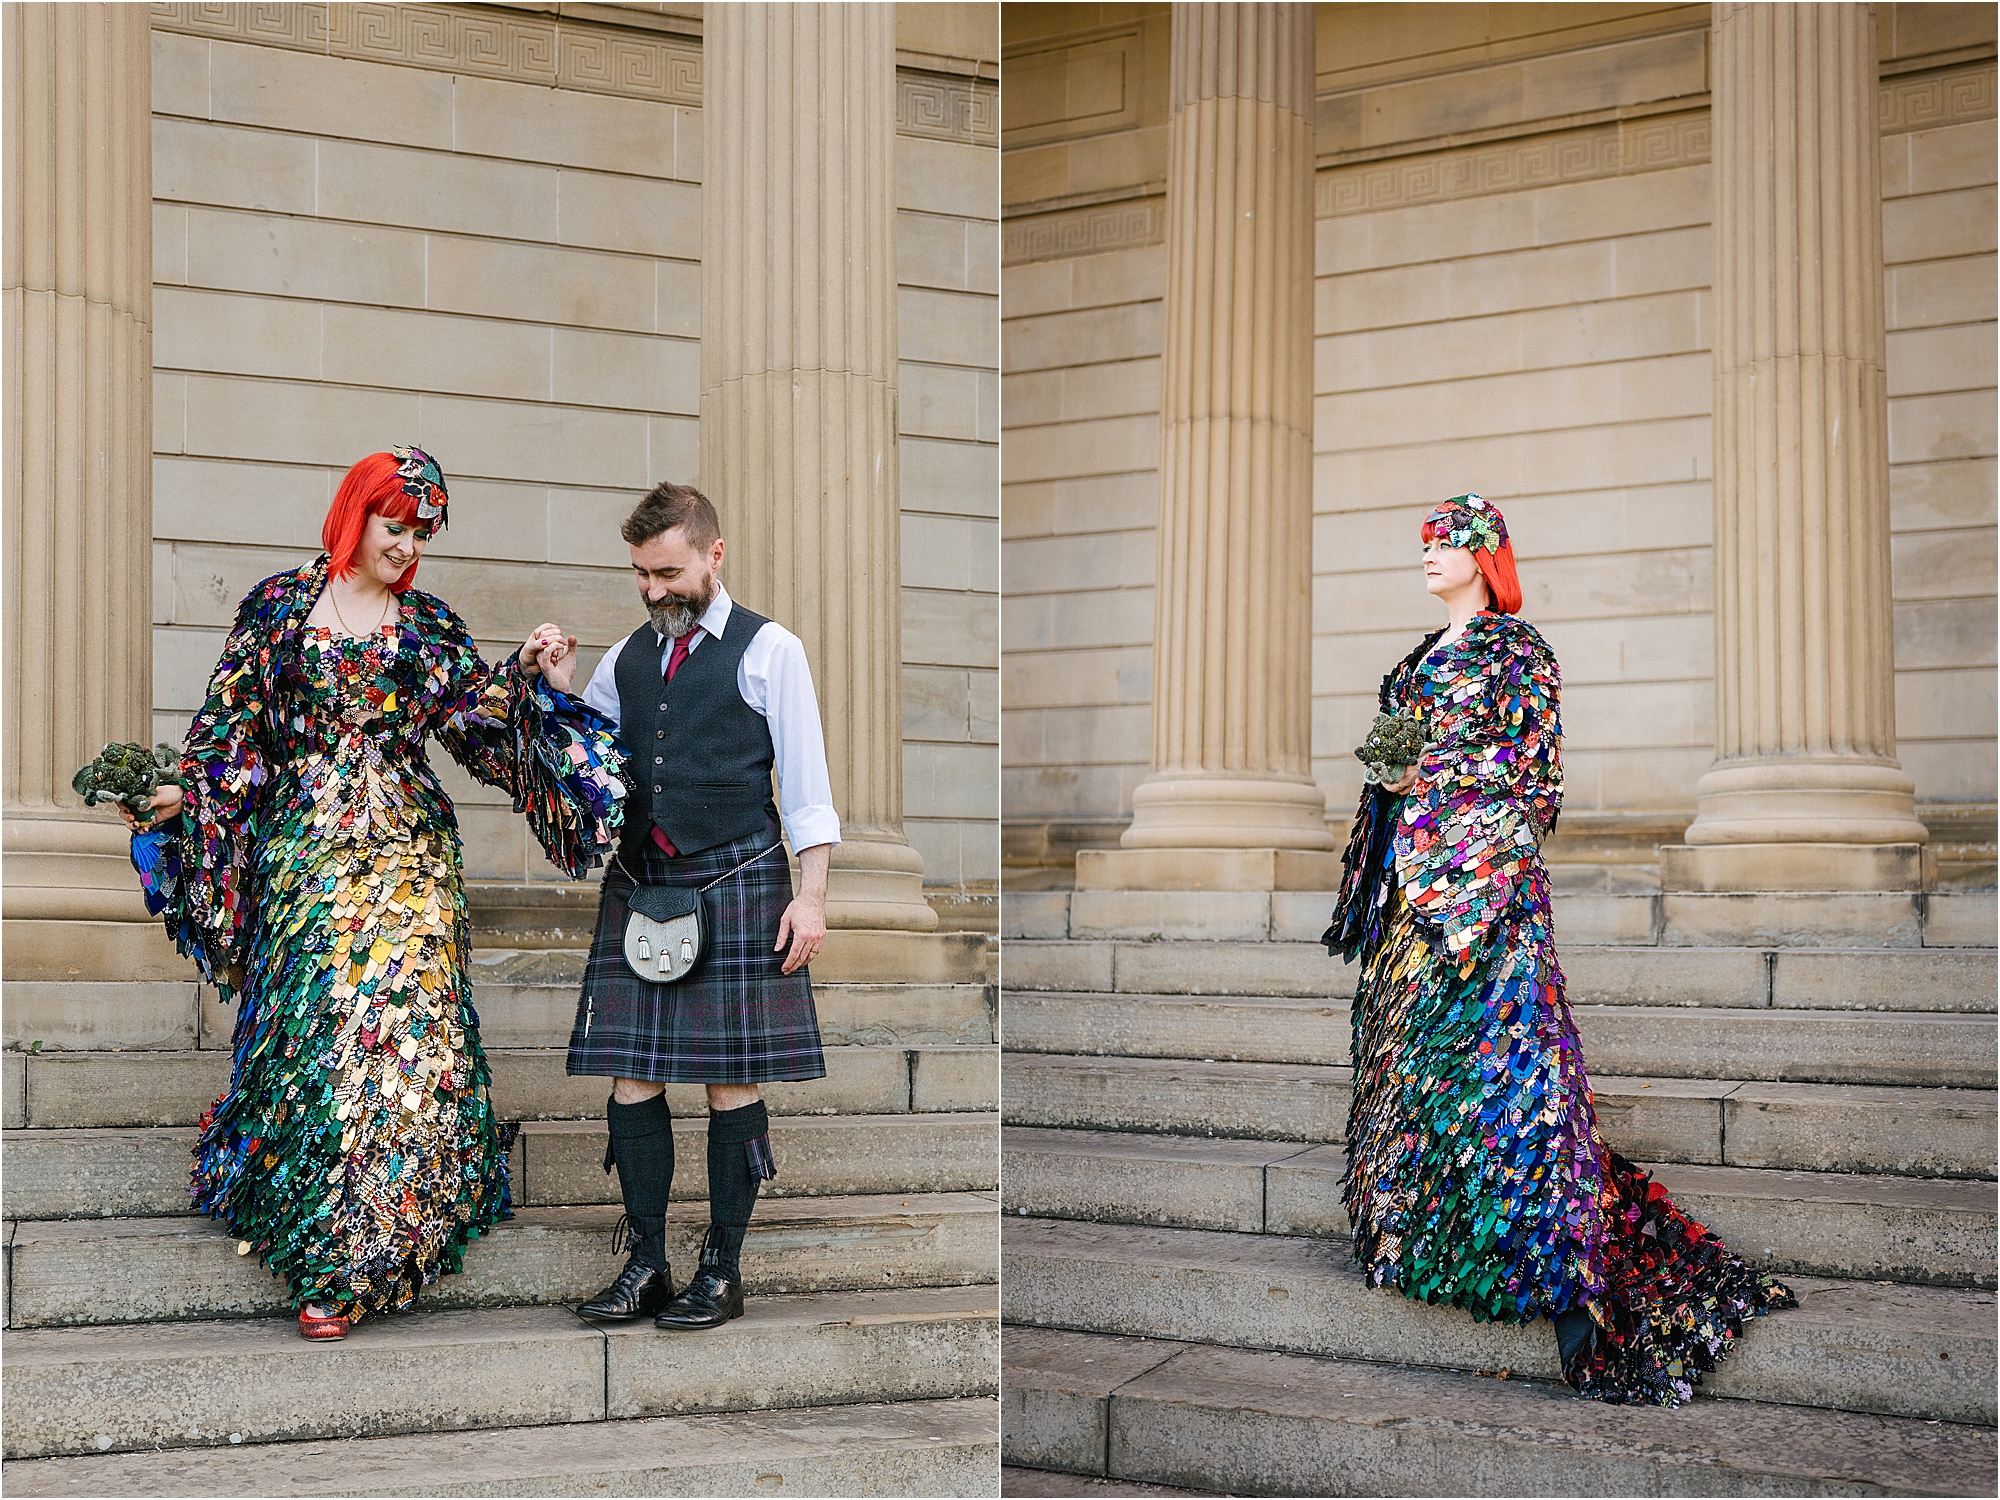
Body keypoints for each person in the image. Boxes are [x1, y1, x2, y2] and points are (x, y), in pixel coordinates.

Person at [116, 447, 624, 1340]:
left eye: (421, 533)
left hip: (409, 858)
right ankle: (325, 1241)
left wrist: (527, 677)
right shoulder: (278, 607)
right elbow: (233, 730)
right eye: (396, 527)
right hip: (305, 855)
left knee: (403, 1044)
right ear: (357, 514)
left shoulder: (425, 625)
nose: (408, 546)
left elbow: (476, 723)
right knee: (322, 1045)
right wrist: (181, 799)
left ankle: (368, 1255)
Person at [1323, 493, 1794, 1405]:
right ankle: (1422, 1242)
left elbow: (1536, 777)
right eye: (1424, 544)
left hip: (1487, 896)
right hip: (1407, 900)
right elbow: (1393, 783)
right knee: (1414, 1068)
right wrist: (1388, 783)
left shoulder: (1519, 652)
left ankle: (1568, 1282)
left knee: (1512, 1068)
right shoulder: (1415, 663)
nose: (1429, 555)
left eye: (1446, 542)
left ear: (1485, 555)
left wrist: (1430, 770)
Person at [553, 481, 836, 1332]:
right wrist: (558, 692)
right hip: (643, 886)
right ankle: (646, 1263)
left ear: (714, 555)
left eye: (668, 573)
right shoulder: (623, 661)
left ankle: (722, 1270)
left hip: (737, 879)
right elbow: (588, 764)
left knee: (728, 1080)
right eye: (642, 574)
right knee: (631, 1077)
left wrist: (812, 897)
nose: (653, 590)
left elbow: (807, 788)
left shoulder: (771, 650)